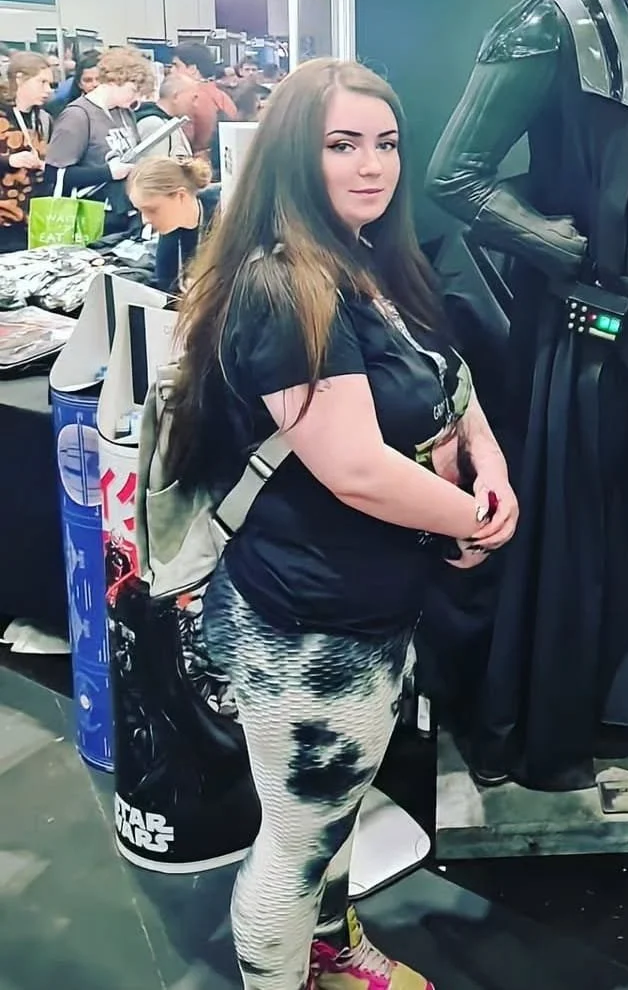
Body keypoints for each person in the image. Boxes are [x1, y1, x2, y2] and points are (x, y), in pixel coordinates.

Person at [166, 58, 518, 990]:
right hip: (304, 628)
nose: (371, 166)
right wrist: (475, 519)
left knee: (332, 813)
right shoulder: (285, 288)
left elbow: (441, 375)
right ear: (293, 155)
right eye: (341, 145)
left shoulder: (363, 262)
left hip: (362, 607)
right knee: (296, 839)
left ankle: (328, 951)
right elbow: (357, 469)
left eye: (386, 143)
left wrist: (489, 461)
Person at [43, 45, 151, 234]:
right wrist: (107, 173)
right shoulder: (77, 116)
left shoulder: (124, 112)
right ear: (113, 81)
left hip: (123, 213)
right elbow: (55, 174)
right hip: (89, 219)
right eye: (133, 90)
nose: (136, 97)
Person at [126, 155, 219, 295]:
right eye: (140, 211)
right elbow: (165, 288)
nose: (145, 220)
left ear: (180, 196)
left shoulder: (224, 212)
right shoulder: (170, 233)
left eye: (151, 210)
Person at [0, 52, 52, 252]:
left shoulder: (43, 118)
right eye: (42, 82)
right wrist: (10, 161)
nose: (48, 90)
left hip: (31, 219)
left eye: (50, 84)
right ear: (20, 79)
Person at [135, 73, 194, 157]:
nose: (195, 104)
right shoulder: (154, 125)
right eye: (193, 98)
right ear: (176, 96)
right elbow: (155, 167)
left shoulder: (170, 122)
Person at [44, 49, 100, 119]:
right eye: (88, 80)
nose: (95, 84)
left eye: (99, 79)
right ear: (79, 84)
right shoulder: (63, 107)